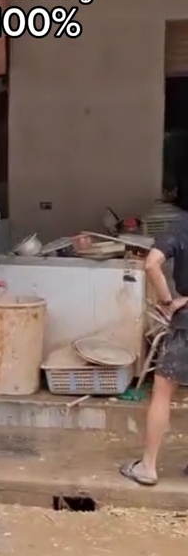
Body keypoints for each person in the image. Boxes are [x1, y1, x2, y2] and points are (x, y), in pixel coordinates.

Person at [121, 192, 188, 486]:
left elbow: (151, 264)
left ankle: (148, 467)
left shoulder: (182, 226)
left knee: (162, 393)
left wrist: (168, 301)